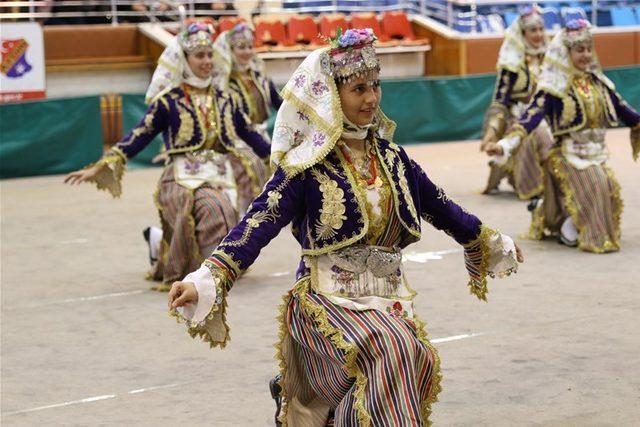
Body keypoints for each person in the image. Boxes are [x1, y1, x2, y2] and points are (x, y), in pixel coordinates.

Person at [168, 29, 523, 425]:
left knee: (412, 356)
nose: (371, 98)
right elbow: (259, 220)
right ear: (332, 97)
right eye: (358, 89)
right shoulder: (307, 165)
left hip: (388, 299)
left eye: (375, 85)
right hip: (327, 298)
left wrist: (489, 240)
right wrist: (211, 275)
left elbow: (442, 207)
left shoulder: (393, 158)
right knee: (395, 349)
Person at [65, 23, 269, 291]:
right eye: (199, 56)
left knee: (226, 215)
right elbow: (140, 134)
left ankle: (179, 253)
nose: (207, 61)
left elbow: (249, 132)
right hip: (182, 176)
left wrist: (280, 156)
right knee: (214, 209)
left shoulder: (225, 98)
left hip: (221, 173)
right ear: (184, 60)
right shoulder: (168, 101)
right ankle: (208, 274)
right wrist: (106, 163)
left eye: (209, 55)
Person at [486, 20, 640, 252]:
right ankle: (569, 227)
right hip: (569, 156)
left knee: (606, 186)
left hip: (598, 154)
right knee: (596, 183)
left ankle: (561, 217)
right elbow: (530, 118)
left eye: (589, 49)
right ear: (566, 53)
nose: (586, 54)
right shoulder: (554, 89)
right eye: (579, 50)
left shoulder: (599, 83)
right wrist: (505, 145)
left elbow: (626, 112)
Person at [480, 6, 553, 199]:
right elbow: (500, 101)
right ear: (522, 33)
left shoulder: (549, 57)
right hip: (519, 117)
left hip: (548, 114)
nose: (538, 34)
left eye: (540, 29)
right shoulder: (511, 63)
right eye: (532, 30)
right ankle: (535, 186)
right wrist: (492, 131)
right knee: (534, 132)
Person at [214, 22, 283, 211]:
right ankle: (248, 214)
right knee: (252, 166)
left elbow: (282, 104)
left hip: (259, 136)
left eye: (250, 47)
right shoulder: (224, 83)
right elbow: (237, 125)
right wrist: (265, 147)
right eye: (241, 47)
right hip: (234, 140)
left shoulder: (259, 77)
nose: (247, 52)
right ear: (230, 50)